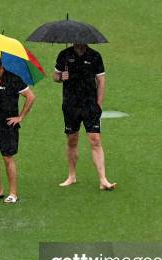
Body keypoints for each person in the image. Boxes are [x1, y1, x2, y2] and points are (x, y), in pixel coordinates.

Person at [53, 43, 116, 190]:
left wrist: (99, 104)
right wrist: (61, 76)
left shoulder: (95, 56)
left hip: (90, 105)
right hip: (71, 104)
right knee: (72, 139)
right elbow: (55, 76)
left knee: (95, 139)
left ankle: (103, 180)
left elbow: (101, 80)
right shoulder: (64, 55)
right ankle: (71, 176)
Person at [0, 56, 36, 204]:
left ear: (1, 68)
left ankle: (13, 194)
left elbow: (30, 97)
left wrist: (20, 117)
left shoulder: (13, 79)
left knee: (7, 158)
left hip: (8, 126)